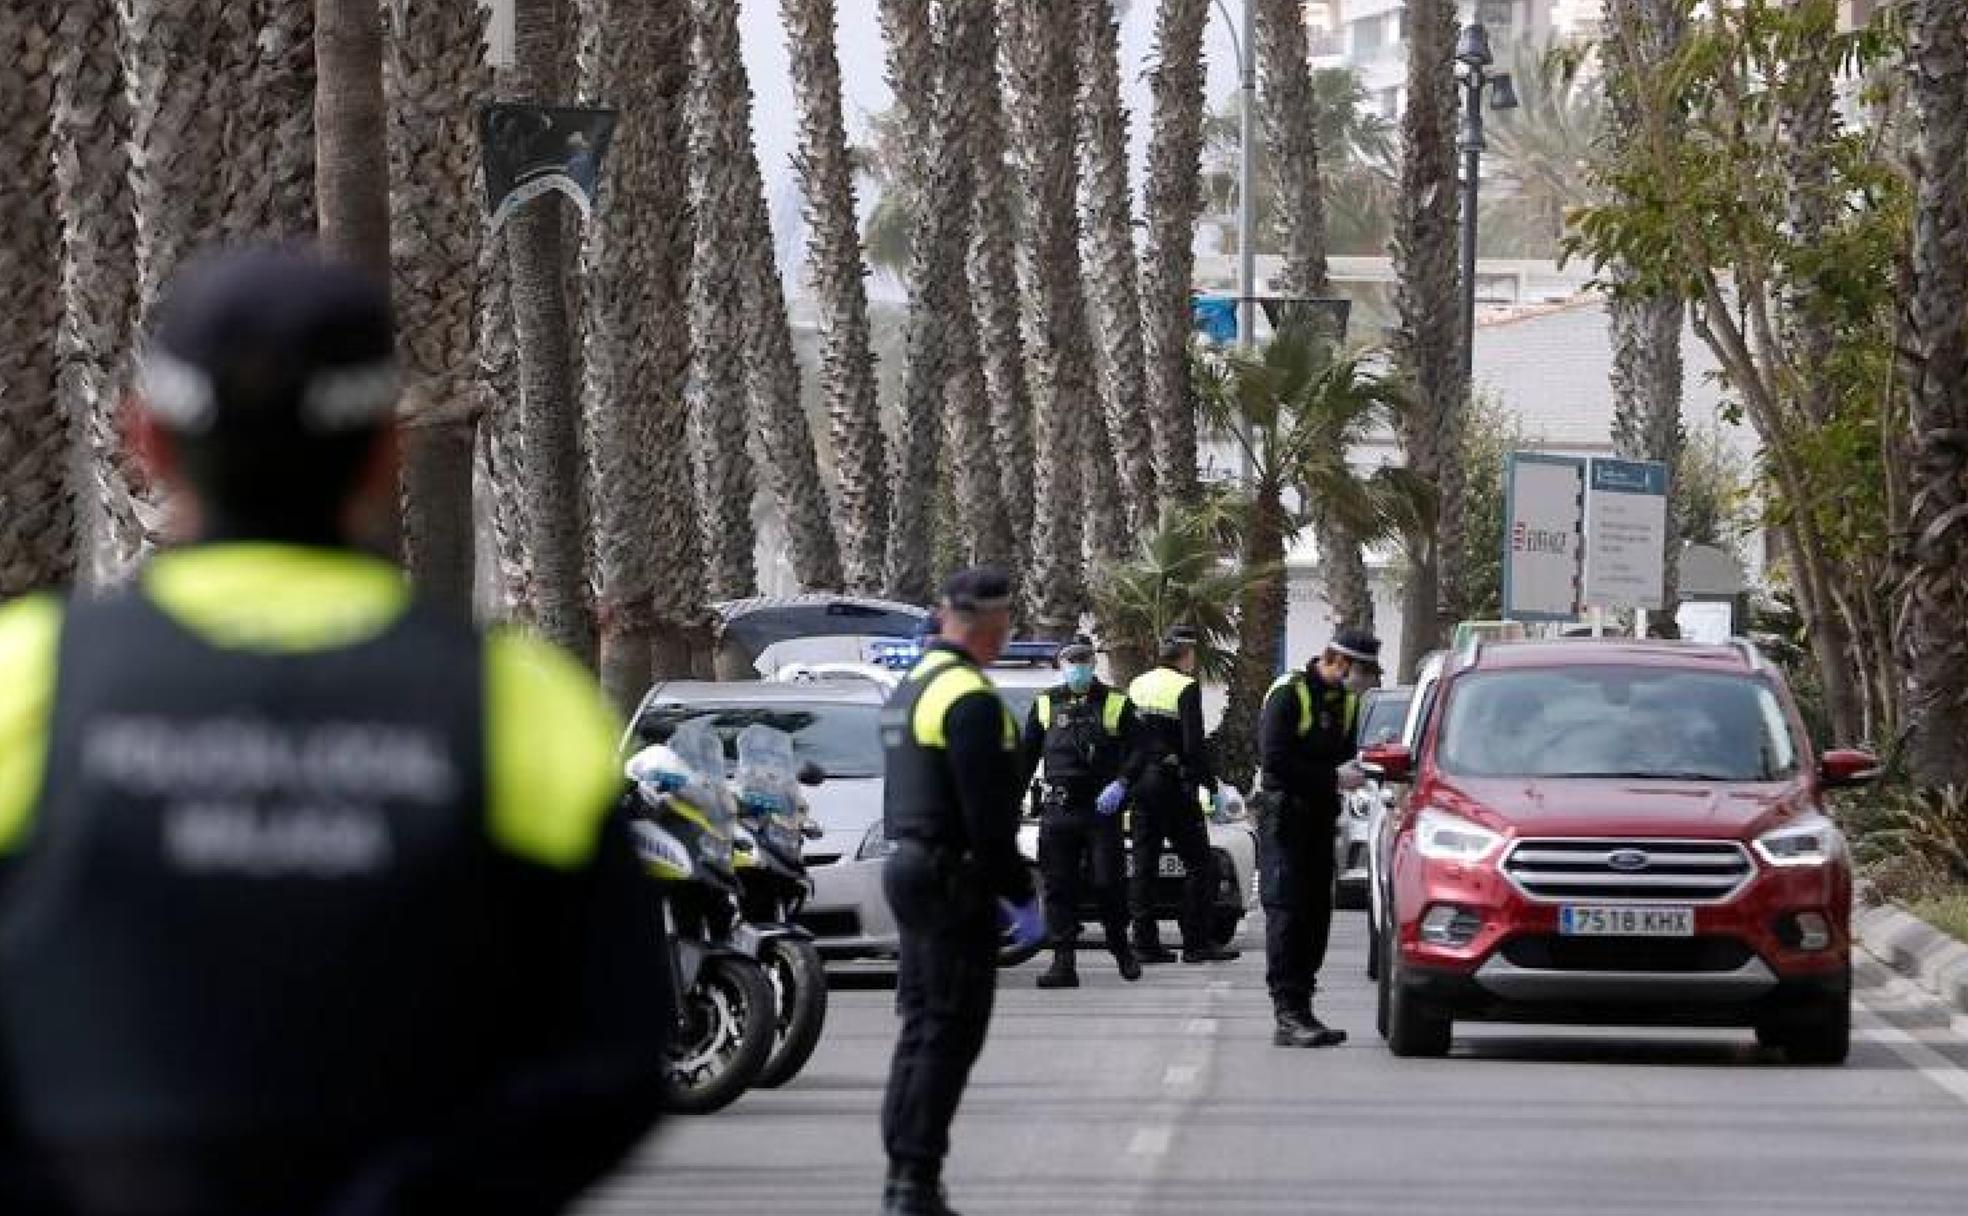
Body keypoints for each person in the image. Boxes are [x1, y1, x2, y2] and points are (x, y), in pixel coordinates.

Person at [0, 246, 669, 1215]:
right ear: (385, 450)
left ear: (145, 439)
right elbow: (612, 1053)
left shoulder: (29, 678)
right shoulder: (517, 702)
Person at [877, 567, 1042, 1216]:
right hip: (953, 877)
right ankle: (915, 1184)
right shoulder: (971, 699)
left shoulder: (912, 685)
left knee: (922, 1028)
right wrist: (1020, 893)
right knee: (949, 1032)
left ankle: (904, 1174)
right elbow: (989, 816)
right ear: (995, 626)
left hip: (908, 866)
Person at [1257, 627, 1382, 1048]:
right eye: (1361, 671)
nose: (1364, 681)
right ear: (1339, 662)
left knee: (1315, 915)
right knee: (1288, 914)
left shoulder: (1346, 702)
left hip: (1320, 820)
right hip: (1285, 819)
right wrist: (1331, 777)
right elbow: (1274, 760)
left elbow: (1345, 753)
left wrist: (1364, 768)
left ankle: (1304, 1005)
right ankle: (1286, 1012)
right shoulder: (1288, 694)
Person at [1019, 638, 1144, 989]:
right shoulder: (1045, 703)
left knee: (1108, 883)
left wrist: (1121, 784)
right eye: (1071, 662)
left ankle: (1121, 948)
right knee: (1058, 887)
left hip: (1100, 809)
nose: (1078, 668)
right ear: (1061, 666)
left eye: (1084, 661)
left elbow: (1142, 749)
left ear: (1093, 664)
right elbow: (1027, 756)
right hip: (1058, 808)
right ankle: (1063, 963)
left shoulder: (1116, 702)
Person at [1124, 628, 1239, 966]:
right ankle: (1196, 943)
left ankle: (1144, 944)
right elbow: (1193, 745)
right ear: (1185, 654)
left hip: (1140, 784)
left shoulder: (1137, 684)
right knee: (1200, 864)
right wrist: (1210, 785)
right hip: (1173, 786)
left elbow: (1128, 738)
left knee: (1144, 865)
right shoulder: (1185, 687)